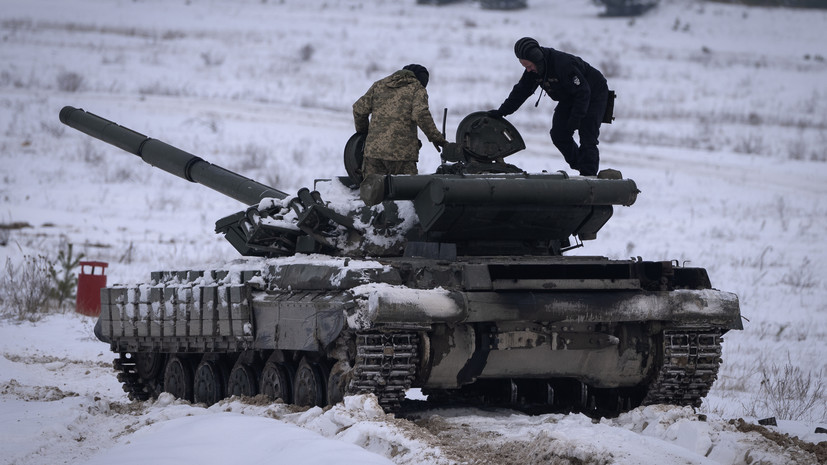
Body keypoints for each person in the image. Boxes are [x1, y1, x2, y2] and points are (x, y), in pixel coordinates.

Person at [489, 38, 610, 176]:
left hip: (593, 92)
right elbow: (520, 92)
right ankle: (581, 164)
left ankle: (589, 177)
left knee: (587, 135)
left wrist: (576, 118)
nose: (528, 70)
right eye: (525, 67)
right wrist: (502, 112)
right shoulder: (533, 71)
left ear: (537, 59)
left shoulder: (563, 65)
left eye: (529, 66)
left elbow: (583, 92)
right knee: (559, 134)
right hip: (570, 96)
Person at [353, 64, 448, 178]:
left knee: (372, 192)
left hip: (373, 155)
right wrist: (438, 139)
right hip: (402, 156)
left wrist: (364, 134)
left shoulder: (379, 85)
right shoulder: (417, 88)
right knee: (405, 193)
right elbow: (421, 114)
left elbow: (358, 110)